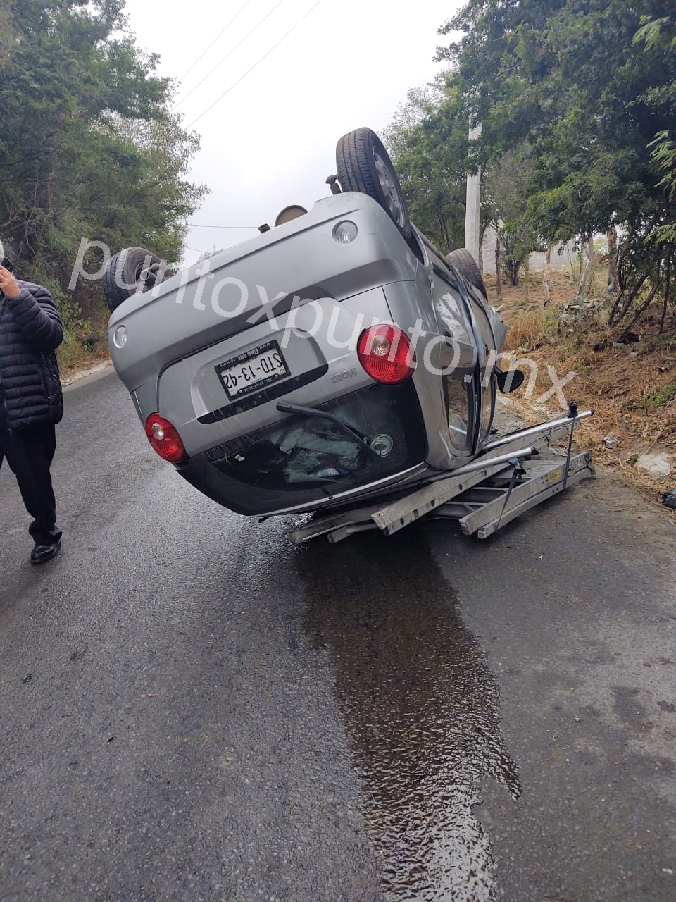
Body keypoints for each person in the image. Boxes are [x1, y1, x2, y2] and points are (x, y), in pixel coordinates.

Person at [0, 240, 64, 564]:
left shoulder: (33, 293)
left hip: (24, 406)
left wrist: (18, 299)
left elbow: (51, 336)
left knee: (33, 479)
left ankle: (46, 534)